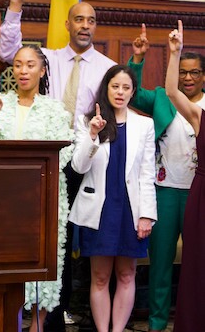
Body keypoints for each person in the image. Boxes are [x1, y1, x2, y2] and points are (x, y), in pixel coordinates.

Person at [0, 0, 116, 330]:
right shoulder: (46, 59)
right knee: (41, 239)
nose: (85, 25)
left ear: (95, 26)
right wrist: (15, 6)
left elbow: (125, 99)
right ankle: (37, 319)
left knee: (70, 242)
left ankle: (59, 311)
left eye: (91, 20)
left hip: (89, 153)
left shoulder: (109, 66)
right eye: (78, 18)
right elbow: (9, 52)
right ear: (67, 24)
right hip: (45, 155)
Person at [0, 45, 74, 332]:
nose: (23, 71)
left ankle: (38, 326)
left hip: (44, 198)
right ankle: (11, 323)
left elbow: (64, 153)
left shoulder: (55, 109)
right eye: (18, 65)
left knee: (45, 262)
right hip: (4, 199)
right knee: (8, 262)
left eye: (30, 65)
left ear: (42, 70)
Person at [126, 23, 205, 332]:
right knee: (160, 264)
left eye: (194, 72)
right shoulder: (161, 97)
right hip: (165, 190)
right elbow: (130, 94)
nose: (187, 77)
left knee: (197, 263)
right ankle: (158, 324)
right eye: (183, 71)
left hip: (197, 191)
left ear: (202, 75)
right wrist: (137, 60)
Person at [68, 65, 156, 332]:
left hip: (131, 210)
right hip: (99, 210)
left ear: (133, 92)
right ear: (106, 89)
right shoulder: (87, 121)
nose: (120, 92)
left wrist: (147, 215)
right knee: (100, 276)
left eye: (126, 87)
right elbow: (78, 167)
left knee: (127, 275)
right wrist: (93, 134)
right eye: (115, 86)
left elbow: (147, 173)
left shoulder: (144, 124)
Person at [165, 21, 205, 331]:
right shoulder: (199, 115)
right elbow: (171, 91)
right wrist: (174, 53)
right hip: (201, 198)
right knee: (196, 266)